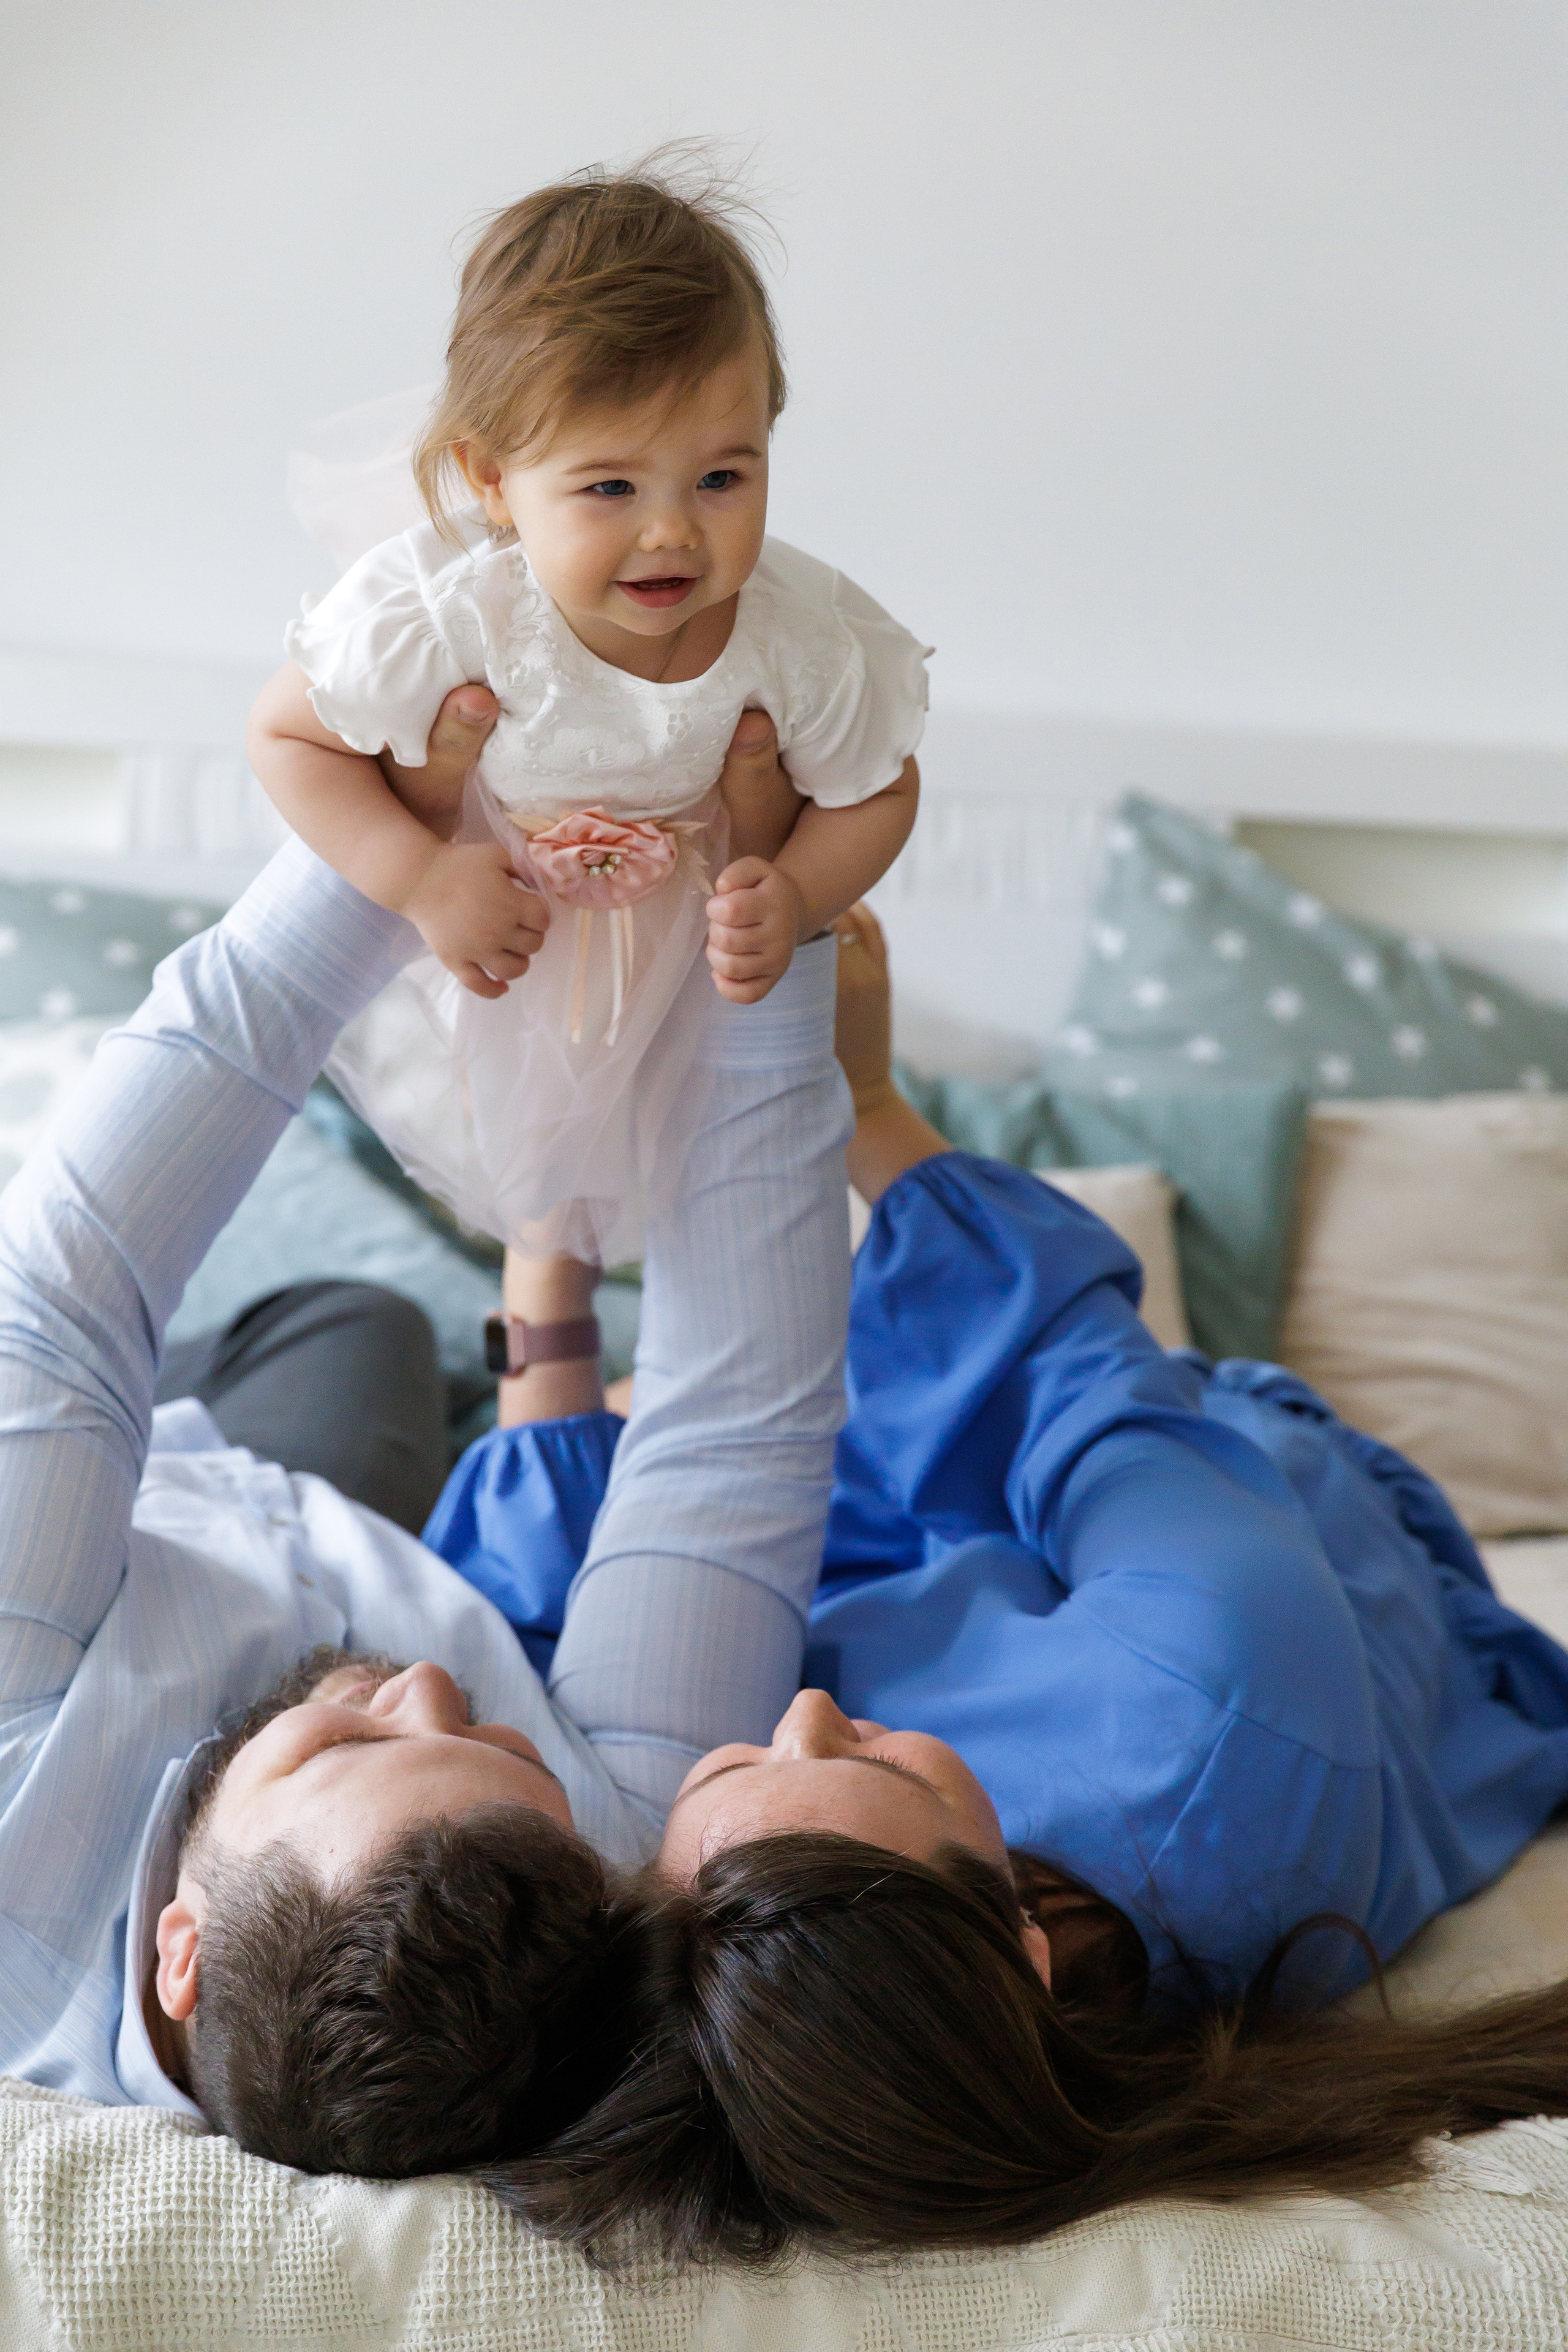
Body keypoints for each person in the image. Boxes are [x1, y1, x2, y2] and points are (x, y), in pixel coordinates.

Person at [423, 905, 1568, 2263]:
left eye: (723, 1774)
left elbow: (568, 1617)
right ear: (1019, 1943)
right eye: (883, 1765)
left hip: (980, 1545)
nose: (796, 1713)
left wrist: (543, 1242)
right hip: (1286, 1521)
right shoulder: (1208, 1706)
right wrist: (863, 1096)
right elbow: (1084, 1379)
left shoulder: (748, 1944)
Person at [0, 690, 852, 2184]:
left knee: (340, 1325)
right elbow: (733, 1429)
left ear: (180, 1951)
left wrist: (380, 848)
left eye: (348, 1737)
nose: (430, 1685)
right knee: (372, 1337)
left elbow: (71, 1282)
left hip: (117, 1561)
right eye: (497, 1741)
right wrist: (769, 945)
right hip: (309, 1528)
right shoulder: (615, 1849)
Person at [248, 157, 925, 1267]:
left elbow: (880, 787)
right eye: (611, 488)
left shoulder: (801, 638)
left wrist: (801, 886)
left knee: (693, 1159)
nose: (672, 533)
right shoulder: (455, 611)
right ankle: (540, 1291)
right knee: (526, 1151)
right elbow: (286, 737)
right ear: (494, 480)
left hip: (694, 948)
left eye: (722, 479)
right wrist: (419, 879)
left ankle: (579, 1300)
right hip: (492, 919)